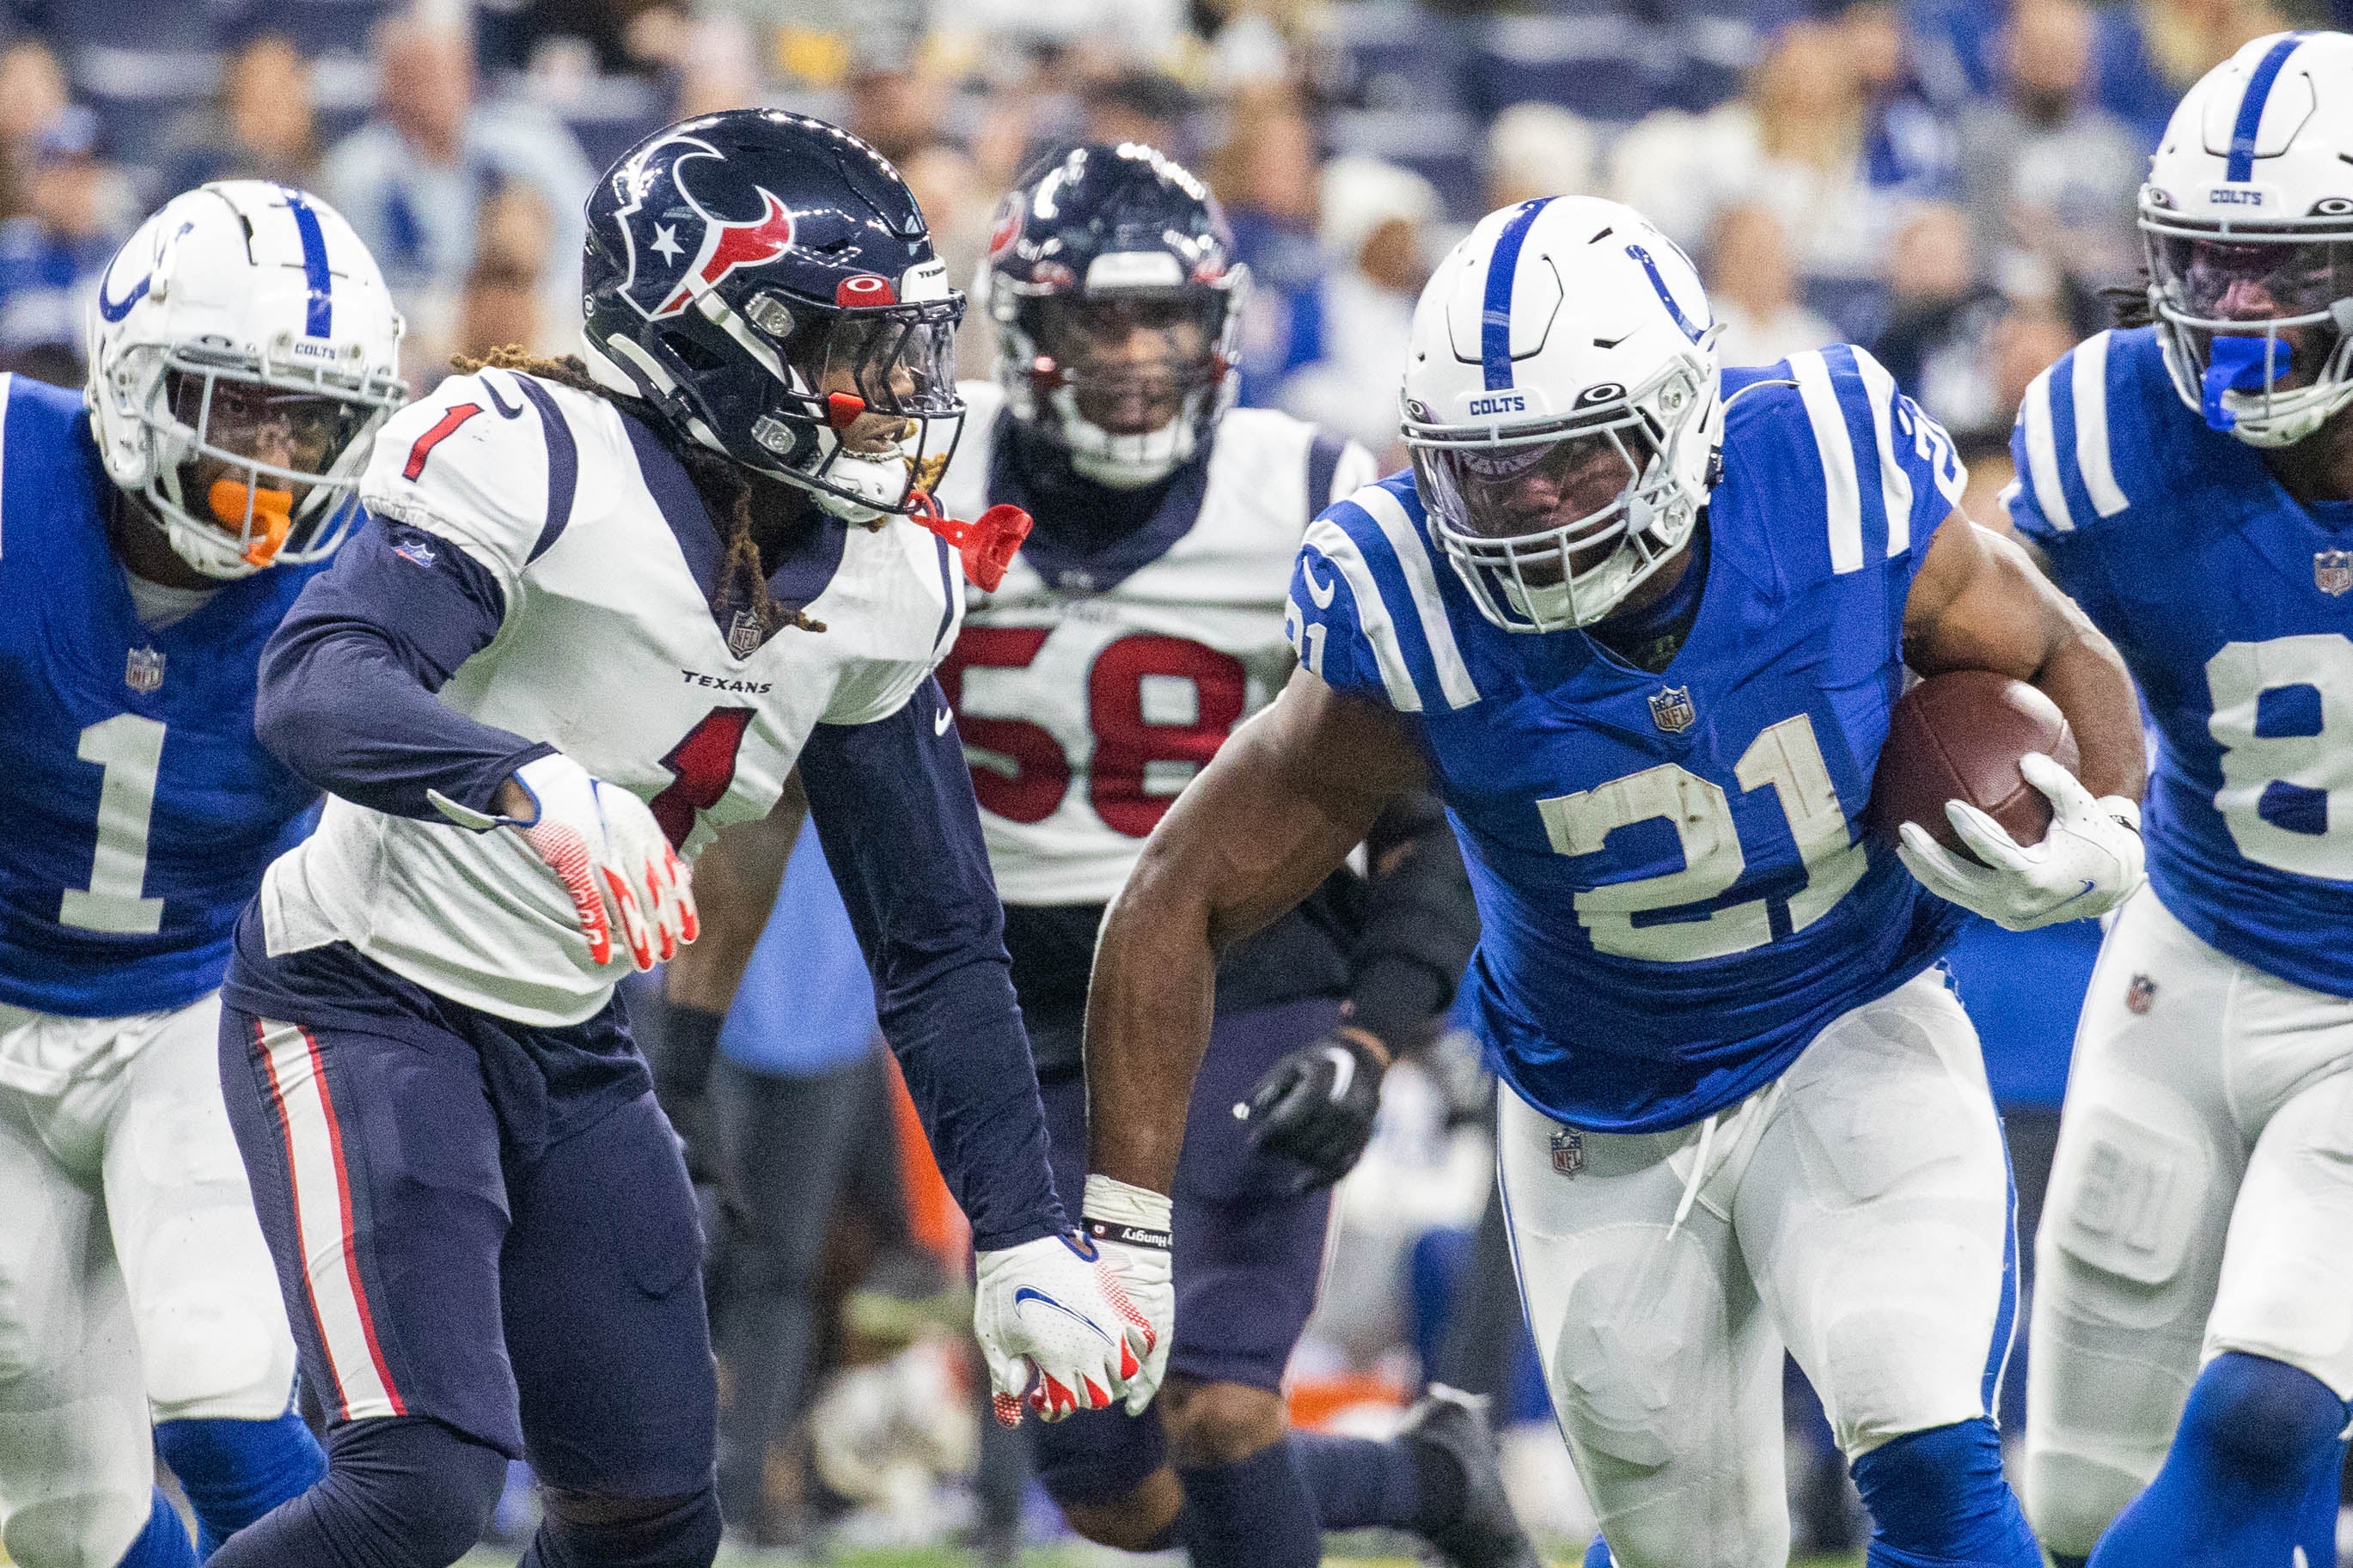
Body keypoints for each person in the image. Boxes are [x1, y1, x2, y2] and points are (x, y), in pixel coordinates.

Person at [1076, 193, 2153, 1568]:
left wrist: (2105, 826)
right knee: (1683, 1550)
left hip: (1848, 1018)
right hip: (1603, 1101)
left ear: (1680, 421)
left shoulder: (1821, 476)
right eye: (1486, 468)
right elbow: (1176, 890)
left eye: (1572, 461)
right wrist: (1121, 1230)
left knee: (1925, 1442)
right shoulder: (1406, 606)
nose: (1527, 507)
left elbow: (2051, 640)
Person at [204, 110, 1154, 1568]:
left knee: (652, 1517)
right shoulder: (533, 453)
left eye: (902, 347)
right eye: (848, 352)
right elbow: (317, 684)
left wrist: (1020, 1227)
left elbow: (938, 935)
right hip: (363, 993)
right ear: (705, 337)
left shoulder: (887, 579)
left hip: (571, 1035)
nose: (896, 390)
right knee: (423, 1480)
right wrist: (527, 781)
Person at [937, 141, 1532, 1568]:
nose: (1137, 357)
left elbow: (1421, 811)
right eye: (1098, 319)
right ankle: (1426, 1484)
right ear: (1025, 329)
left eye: (1166, 320)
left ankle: (1401, 1477)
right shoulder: (920, 478)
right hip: (1026, 1019)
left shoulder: (1314, 494)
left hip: (1246, 978)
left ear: (1221, 328)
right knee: (1111, 1485)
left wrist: (1377, 1033)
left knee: (1217, 1404)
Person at [0, 180, 406, 1568]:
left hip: (201, 998)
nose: (275, 456)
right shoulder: (11, 472)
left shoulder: (376, 573)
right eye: (236, 404)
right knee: (59, 1512)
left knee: (221, 1389)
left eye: (309, 420)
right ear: (131, 372)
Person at [2002, 31, 2353, 1568]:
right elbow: (1972, 634)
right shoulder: (2101, 442)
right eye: (2202, 267)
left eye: (2281, 271)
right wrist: (2067, 779)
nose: (2233, 315)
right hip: (2190, 950)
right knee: (2079, 1492)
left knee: (2266, 1410)